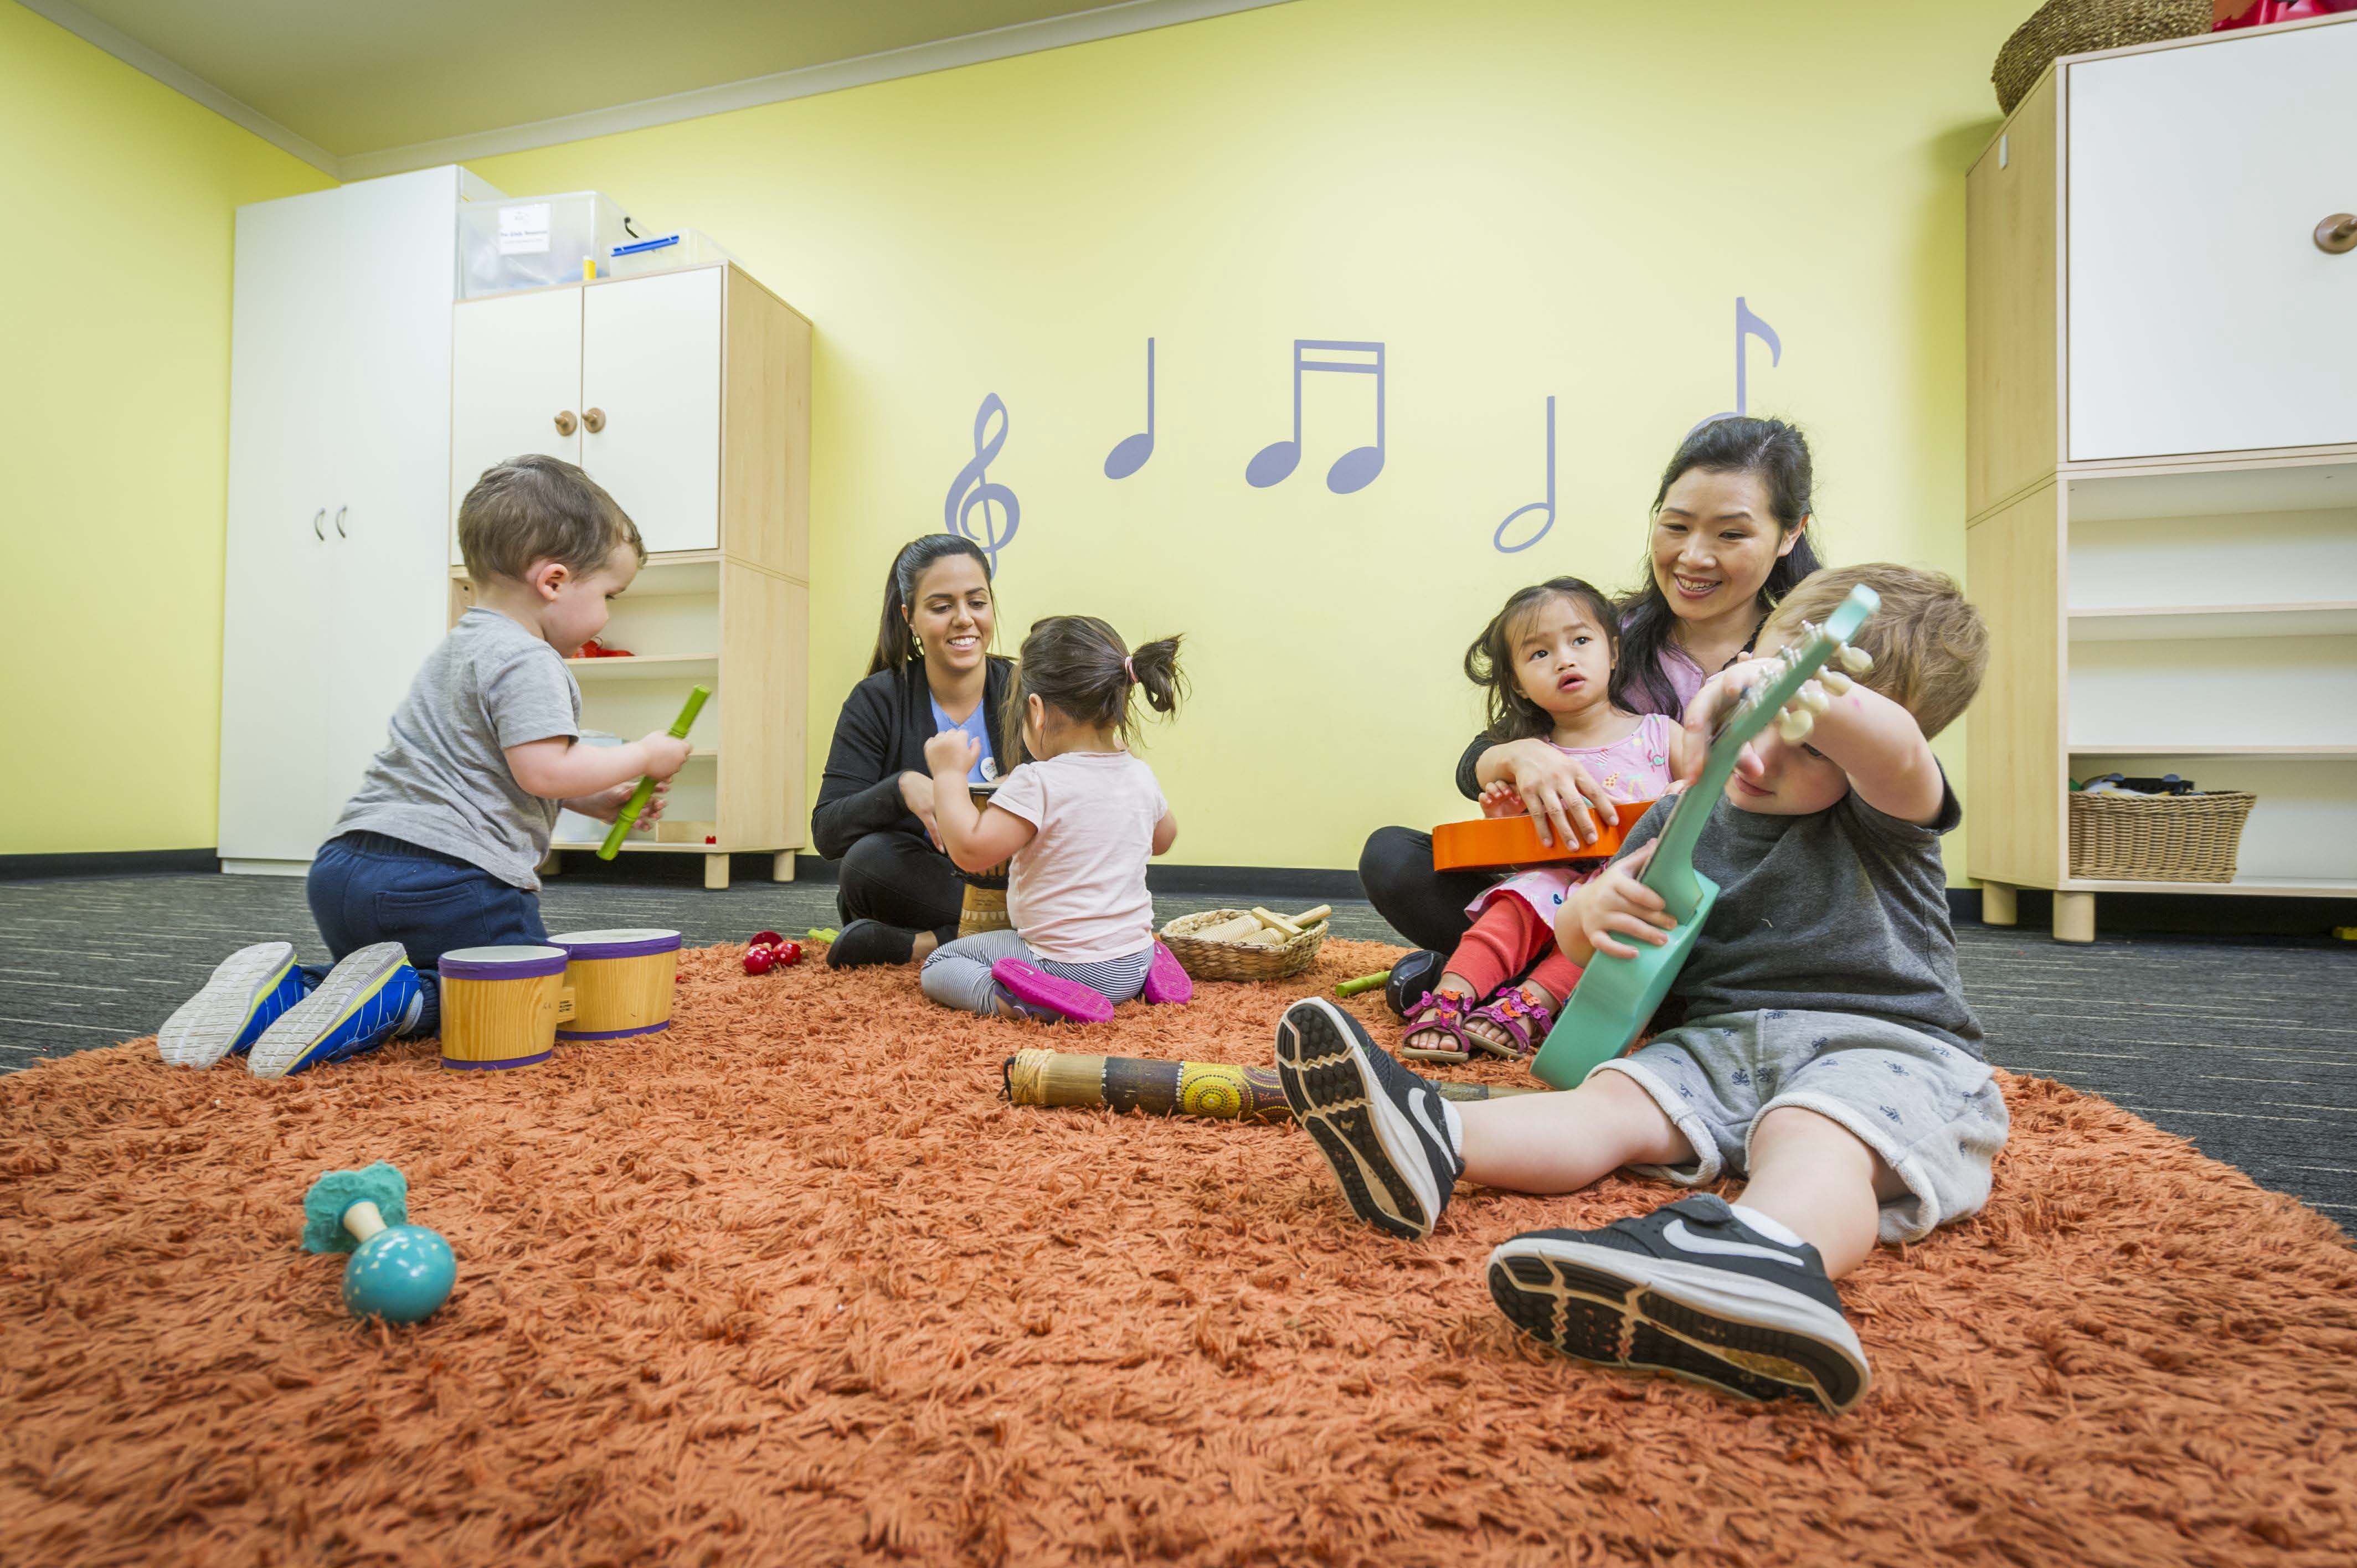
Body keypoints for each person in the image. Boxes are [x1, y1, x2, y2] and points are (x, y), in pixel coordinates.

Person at [1275, 564, 1996, 1415]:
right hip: (1723, 1043)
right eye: (1745, 720)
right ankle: (1434, 1138)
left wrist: (1787, 685)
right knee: (1613, 1099)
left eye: (1804, 740)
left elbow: (1895, 746)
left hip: (1885, 1049)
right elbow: (1578, 933)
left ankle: (1767, 1258)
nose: (1758, 751)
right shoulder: (1687, 805)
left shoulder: (1887, 812)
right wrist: (1592, 909)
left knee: (1813, 1136)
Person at [156, 457, 688, 1077]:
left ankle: (283, 994)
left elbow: (486, 762)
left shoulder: (459, 646)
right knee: (518, 989)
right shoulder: (531, 660)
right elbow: (545, 772)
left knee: (372, 979)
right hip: (449, 885)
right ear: (553, 581)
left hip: (344, 874)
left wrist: (595, 800)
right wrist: (646, 754)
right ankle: (399, 999)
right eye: (608, 597)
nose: (607, 617)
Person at [1360, 416, 1825, 960]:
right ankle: (1527, 973)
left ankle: (1506, 977)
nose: (1693, 557)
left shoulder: (1806, 652)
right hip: (1581, 891)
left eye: (1730, 533)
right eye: (1675, 526)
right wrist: (1523, 756)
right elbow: (1475, 766)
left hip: (1726, 907)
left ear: (1790, 532)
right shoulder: (1603, 639)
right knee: (1394, 858)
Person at [1398, 577, 1685, 1064]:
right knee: (1516, 901)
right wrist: (1507, 817)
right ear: (1517, 683)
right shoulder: (1533, 755)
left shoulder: (1660, 734)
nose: (1564, 660)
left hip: (1632, 886)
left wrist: (1684, 792)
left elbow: (1713, 793)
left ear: (1613, 652)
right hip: (1554, 877)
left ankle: (1533, 1004)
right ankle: (1451, 996)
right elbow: (1519, 843)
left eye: (1580, 641)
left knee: (1612, 921)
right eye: (1539, 654)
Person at [918, 616, 1183, 1021]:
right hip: (1132, 959)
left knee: (942, 964)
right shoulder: (1138, 773)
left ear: (1036, 710)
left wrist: (949, 774)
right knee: (1131, 943)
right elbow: (1164, 839)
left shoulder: (1039, 781)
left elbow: (971, 851)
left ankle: (1025, 1000)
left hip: (1064, 964)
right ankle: (1153, 970)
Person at [812, 535, 1015, 970]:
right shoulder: (877, 699)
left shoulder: (1024, 693)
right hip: (926, 880)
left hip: (1017, 878)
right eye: (941, 607)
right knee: (865, 865)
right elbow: (828, 832)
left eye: (976, 602)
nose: (964, 619)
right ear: (910, 618)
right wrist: (901, 788)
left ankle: (928, 944)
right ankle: (1010, 935)